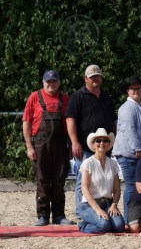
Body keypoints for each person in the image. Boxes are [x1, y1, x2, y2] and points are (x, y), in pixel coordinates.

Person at [22, 70, 73, 226]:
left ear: (59, 82)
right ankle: (42, 215)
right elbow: (26, 122)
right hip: (40, 145)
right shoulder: (34, 97)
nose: (51, 84)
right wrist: (29, 146)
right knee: (42, 180)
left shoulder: (65, 99)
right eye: (48, 81)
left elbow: (70, 124)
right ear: (43, 82)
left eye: (54, 81)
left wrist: (71, 146)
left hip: (60, 144)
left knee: (59, 180)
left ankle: (59, 215)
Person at [65, 65, 117, 211]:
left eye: (97, 76)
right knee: (83, 182)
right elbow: (70, 120)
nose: (95, 79)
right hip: (85, 147)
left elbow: (113, 121)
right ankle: (81, 212)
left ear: (101, 78)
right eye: (92, 77)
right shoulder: (78, 96)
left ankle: (102, 210)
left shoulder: (106, 97)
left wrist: (113, 141)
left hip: (104, 146)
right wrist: (74, 142)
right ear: (86, 79)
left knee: (104, 181)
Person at [112, 76, 141, 223]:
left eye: (138, 88)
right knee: (131, 186)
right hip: (130, 154)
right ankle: (128, 219)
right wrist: (137, 148)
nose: (136, 91)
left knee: (137, 186)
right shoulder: (127, 108)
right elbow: (129, 129)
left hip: (140, 154)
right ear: (128, 91)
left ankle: (135, 217)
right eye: (133, 88)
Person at [77, 128, 125, 234]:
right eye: (98, 141)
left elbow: (117, 190)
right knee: (104, 226)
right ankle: (82, 225)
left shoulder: (113, 164)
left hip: (108, 203)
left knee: (120, 227)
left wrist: (114, 204)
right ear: (93, 144)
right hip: (89, 205)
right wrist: (97, 209)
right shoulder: (88, 162)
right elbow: (84, 189)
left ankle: (98, 222)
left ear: (109, 144)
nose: (102, 143)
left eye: (105, 140)